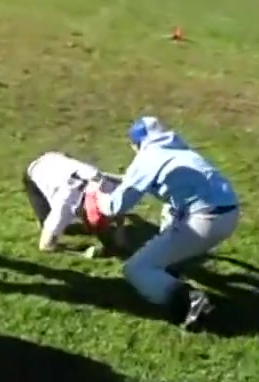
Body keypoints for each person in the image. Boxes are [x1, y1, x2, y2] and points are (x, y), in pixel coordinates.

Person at [86, 116, 240, 329]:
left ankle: (191, 300)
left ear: (137, 144)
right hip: (228, 212)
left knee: (136, 269)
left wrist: (96, 192)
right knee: (169, 211)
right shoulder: (177, 150)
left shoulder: (147, 158)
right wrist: (109, 177)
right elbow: (143, 179)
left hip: (205, 220)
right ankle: (170, 269)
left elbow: (113, 207)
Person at [23, 151, 126, 256]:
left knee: (104, 227)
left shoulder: (104, 184)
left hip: (58, 159)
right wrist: (82, 253)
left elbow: (118, 204)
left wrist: (120, 231)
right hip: (35, 171)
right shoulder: (63, 208)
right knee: (45, 222)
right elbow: (45, 246)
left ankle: (104, 235)